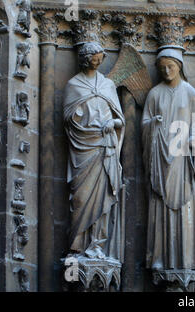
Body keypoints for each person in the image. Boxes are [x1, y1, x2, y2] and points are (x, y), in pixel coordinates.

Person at [142, 48, 195, 290]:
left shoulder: (190, 92)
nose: (167, 71)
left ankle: (186, 259)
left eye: (171, 66)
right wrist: (152, 126)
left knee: (186, 206)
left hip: (182, 159)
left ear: (180, 66)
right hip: (160, 159)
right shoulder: (154, 94)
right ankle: (160, 258)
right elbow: (145, 123)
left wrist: (193, 140)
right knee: (160, 205)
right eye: (162, 68)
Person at [63, 41, 125, 261]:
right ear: (84, 58)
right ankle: (77, 244)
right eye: (94, 58)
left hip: (105, 147)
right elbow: (68, 118)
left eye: (100, 58)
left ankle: (97, 244)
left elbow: (119, 118)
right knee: (80, 198)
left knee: (104, 194)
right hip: (83, 147)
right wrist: (85, 120)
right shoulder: (73, 85)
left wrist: (114, 123)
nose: (97, 62)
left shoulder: (108, 85)